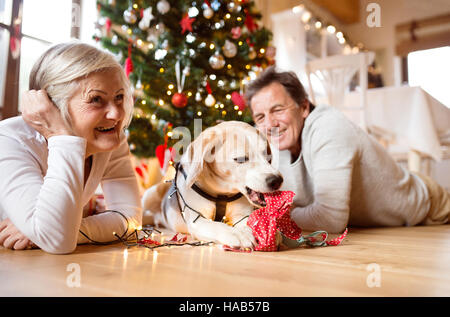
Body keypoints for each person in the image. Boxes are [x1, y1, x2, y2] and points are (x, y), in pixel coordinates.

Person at [245, 66, 449, 233]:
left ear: (304, 107)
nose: (270, 124)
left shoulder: (329, 128)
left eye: (278, 109)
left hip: (429, 207)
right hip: (372, 223)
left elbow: (329, 219)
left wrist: (273, 216)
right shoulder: (268, 143)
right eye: (260, 117)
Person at [0, 42, 142, 254]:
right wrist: (60, 135)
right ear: (53, 105)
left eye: (119, 97)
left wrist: (60, 230)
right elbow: (58, 241)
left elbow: (130, 221)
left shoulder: (109, 140)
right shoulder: (9, 139)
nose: (116, 114)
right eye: (96, 99)